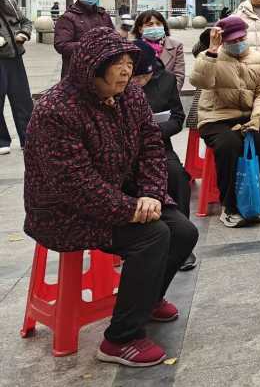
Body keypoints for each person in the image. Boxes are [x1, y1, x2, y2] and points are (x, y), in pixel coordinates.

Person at [23, 27, 198, 367]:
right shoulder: (57, 110)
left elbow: (152, 146)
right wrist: (130, 209)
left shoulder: (129, 96)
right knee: (152, 237)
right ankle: (120, 339)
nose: (125, 71)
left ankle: (146, 300)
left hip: (120, 192)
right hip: (64, 211)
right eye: (117, 64)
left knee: (183, 232)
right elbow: (75, 184)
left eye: (129, 63)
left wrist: (151, 194)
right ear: (92, 66)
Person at [189, 16, 260, 227]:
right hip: (216, 118)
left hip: (249, 116)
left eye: (240, 38)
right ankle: (229, 206)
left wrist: (258, 118)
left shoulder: (259, 59)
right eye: (231, 40)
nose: (237, 43)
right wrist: (212, 51)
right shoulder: (210, 56)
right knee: (229, 145)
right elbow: (199, 80)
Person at [131, 40, 197, 272]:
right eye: (134, 77)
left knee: (177, 176)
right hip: (126, 151)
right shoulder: (118, 84)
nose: (138, 82)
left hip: (158, 145)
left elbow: (178, 118)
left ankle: (181, 241)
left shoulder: (166, 80)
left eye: (144, 77)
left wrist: (155, 131)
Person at [53, 0, 114, 78]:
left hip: (102, 72)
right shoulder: (68, 17)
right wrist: (89, 46)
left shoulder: (103, 15)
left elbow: (113, 38)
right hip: (77, 72)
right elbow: (61, 45)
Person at [0, 0, 33, 154]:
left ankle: (28, 138)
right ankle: (2, 141)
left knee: (23, 100)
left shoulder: (10, 4)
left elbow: (26, 22)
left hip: (15, 58)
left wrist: (23, 33)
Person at [132, 11, 185, 92]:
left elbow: (179, 76)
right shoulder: (133, 47)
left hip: (167, 95)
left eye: (158, 24)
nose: (155, 27)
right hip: (139, 95)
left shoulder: (176, 46)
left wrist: (170, 95)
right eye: (150, 24)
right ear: (140, 29)